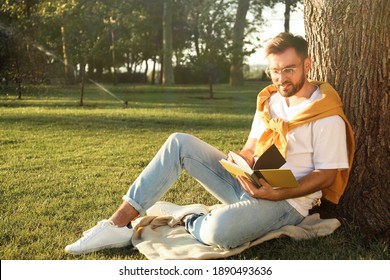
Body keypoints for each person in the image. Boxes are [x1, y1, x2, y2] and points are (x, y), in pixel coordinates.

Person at [65, 32, 354, 255]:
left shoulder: (326, 115)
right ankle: (117, 224)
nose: (281, 79)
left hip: (286, 202)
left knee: (219, 232)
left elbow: (326, 176)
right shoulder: (271, 100)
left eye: (289, 70)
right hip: (251, 184)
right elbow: (252, 147)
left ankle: (190, 217)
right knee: (179, 142)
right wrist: (240, 162)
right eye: (275, 71)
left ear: (307, 64)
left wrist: (277, 195)